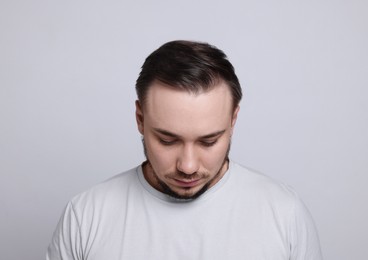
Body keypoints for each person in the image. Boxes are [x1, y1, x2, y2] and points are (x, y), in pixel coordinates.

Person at [47, 40, 323, 260]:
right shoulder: (86, 216)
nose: (188, 166)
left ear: (233, 121)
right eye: (167, 141)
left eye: (208, 141)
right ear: (140, 119)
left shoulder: (284, 213)